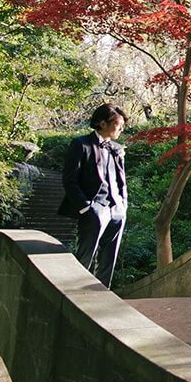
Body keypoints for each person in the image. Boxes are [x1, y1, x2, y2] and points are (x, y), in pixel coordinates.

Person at [58, 103, 128, 288]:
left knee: (108, 261)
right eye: (118, 124)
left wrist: (123, 205)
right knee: (84, 258)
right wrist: (86, 208)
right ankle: (74, 296)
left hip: (116, 210)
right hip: (94, 209)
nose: (121, 128)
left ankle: (101, 295)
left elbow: (122, 181)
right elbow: (69, 180)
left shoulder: (117, 148)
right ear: (103, 123)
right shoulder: (81, 144)